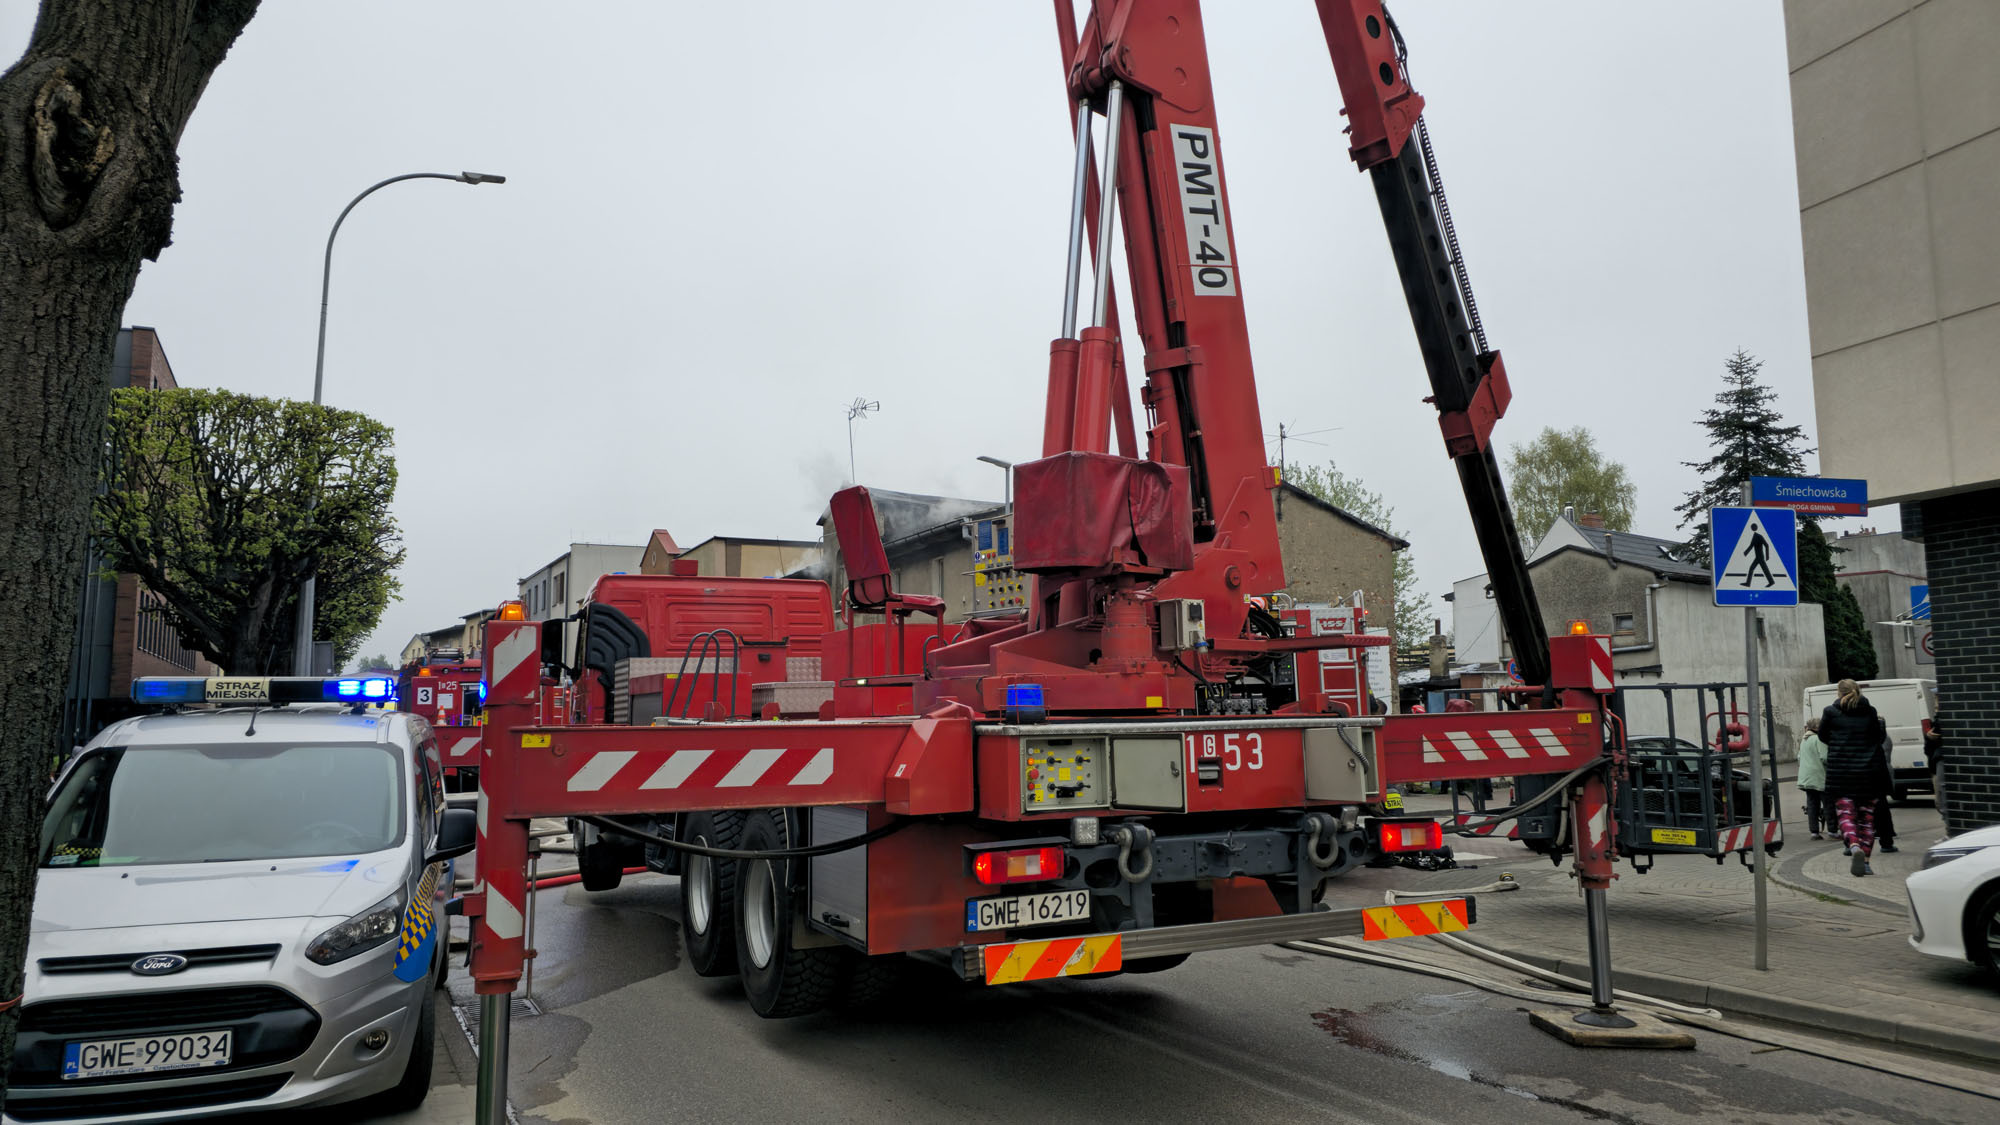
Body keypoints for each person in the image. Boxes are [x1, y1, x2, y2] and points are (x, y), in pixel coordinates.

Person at [1820, 678, 1891, 876]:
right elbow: (1878, 738)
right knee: (1867, 819)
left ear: (1839, 692)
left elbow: (1823, 736)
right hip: (1869, 774)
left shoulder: (1830, 712)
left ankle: (1854, 845)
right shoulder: (1870, 711)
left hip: (1841, 773)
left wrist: (1839, 742)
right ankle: (1866, 862)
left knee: (1846, 814)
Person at [1797, 718, 1828, 840]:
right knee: (1828, 804)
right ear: (1817, 727)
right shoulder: (1819, 739)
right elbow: (1825, 757)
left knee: (1812, 805)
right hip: (1819, 777)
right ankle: (1833, 830)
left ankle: (1814, 832)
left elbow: (1799, 758)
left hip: (1807, 778)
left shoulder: (1804, 739)